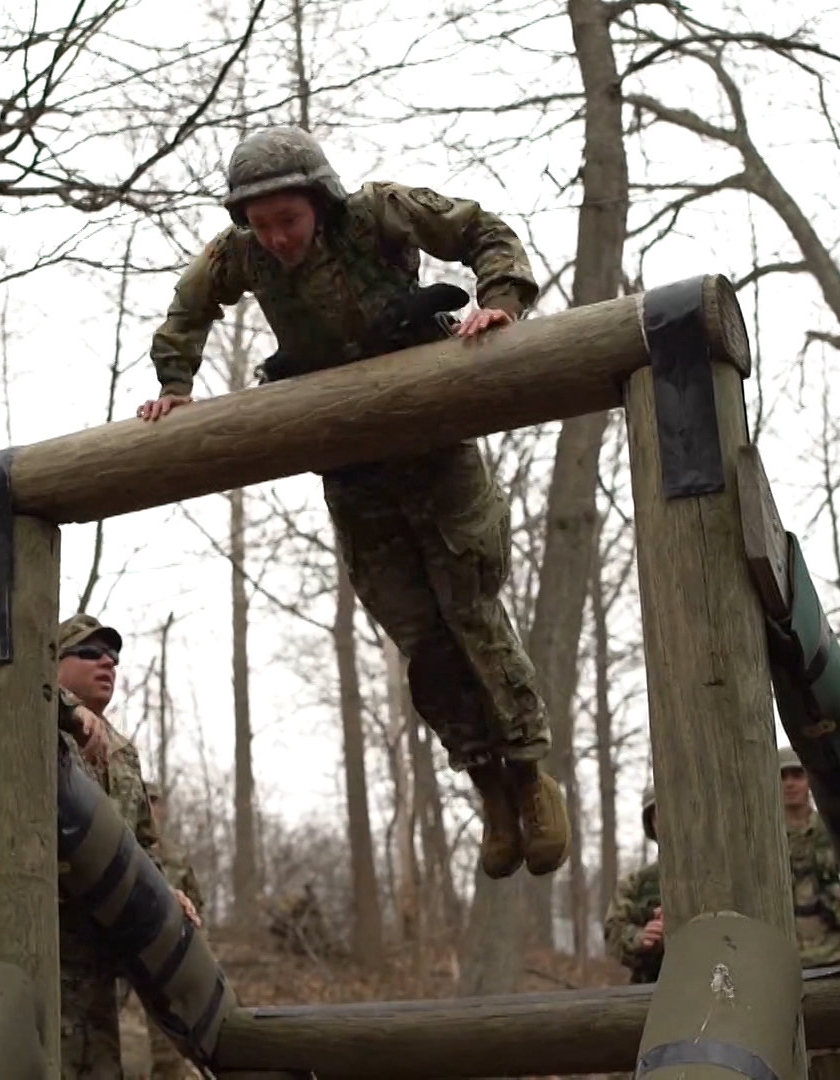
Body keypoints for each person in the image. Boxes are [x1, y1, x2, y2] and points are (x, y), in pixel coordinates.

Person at [136, 124, 569, 880]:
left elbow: (482, 229)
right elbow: (187, 308)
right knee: (418, 634)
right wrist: (176, 385)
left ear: (320, 203)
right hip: (352, 461)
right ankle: (487, 783)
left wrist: (498, 302)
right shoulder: (236, 255)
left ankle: (530, 773)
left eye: (288, 222)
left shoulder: (379, 213)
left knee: (468, 608)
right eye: (261, 225)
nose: (275, 239)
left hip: (433, 439)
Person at [53, 614, 198, 1080]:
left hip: (102, 947)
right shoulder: (32, 717)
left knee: (100, 1064)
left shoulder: (122, 751)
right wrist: (67, 712)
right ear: (54, 663)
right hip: (42, 939)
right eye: (90, 653)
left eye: (113, 657)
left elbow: (142, 843)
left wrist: (166, 890)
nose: (107, 664)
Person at [778, 747, 840, 968]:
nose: (789, 783)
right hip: (785, 957)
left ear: (810, 779)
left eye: (797, 775)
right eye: (782, 776)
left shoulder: (834, 831)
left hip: (839, 950)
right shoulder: (764, 837)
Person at [142, 780, 203, 1079]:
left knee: (166, 1040)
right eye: (146, 801)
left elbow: (196, 905)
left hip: (165, 954)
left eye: (155, 802)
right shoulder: (123, 846)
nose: (151, 809)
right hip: (120, 946)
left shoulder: (177, 856)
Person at [602, 781, 665, 984]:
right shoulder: (637, 883)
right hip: (655, 988)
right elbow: (614, 932)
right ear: (651, 824)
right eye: (659, 816)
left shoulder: (721, 874)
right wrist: (640, 938)